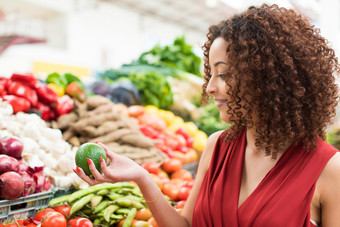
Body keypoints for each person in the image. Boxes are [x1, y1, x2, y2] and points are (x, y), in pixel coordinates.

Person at [74, 4, 340, 227]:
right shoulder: (217, 146)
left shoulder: (329, 169)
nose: (210, 87)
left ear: (268, 77)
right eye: (210, 73)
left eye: (223, 73)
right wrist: (141, 177)